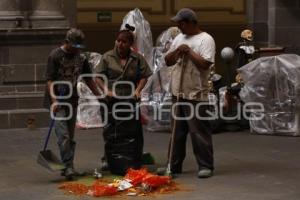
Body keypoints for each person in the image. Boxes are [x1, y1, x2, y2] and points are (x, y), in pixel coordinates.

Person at [164, 8, 216, 178]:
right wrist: (178, 51)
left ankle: (205, 165)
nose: (180, 27)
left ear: (192, 23)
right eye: (178, 24)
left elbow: (205, 64)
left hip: (196, 93)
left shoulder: (206, 39)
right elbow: (167, 61)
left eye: (182, 23)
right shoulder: (179, 38)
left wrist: (189, 51)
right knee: (176, 132)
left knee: (198, 132)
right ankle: (173, 165)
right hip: (177, 92)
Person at [44, 28, 100, 180]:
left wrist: (99, 96)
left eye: (79, 47)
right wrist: (54, 101)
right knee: (63, 136)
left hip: (72, 100)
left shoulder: (81, 58)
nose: (76, 49)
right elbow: (50, 79)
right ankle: (68, 167)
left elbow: (88, 78)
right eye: (74, 46)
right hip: (58, 102)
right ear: (67, 42)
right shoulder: (55, 56)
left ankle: (69, 166)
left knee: (70, 136)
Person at [95, 27, 152, 175]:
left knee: (132, 132)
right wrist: (105, 89)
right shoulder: (107, 57)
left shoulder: (137, 58)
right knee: (111, 132)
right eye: (118, 41)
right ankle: (109, 160)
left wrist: (138, 90)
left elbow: (145, 76)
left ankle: (133, 160)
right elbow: (98, 77)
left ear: (130, 44)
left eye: (124, 42)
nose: (120, 44)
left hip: (129, 100)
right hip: (111, 101)